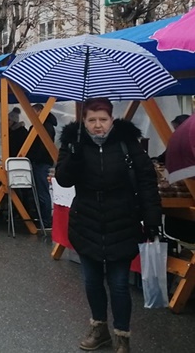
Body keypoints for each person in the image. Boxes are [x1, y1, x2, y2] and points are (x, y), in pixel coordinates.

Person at [55, 97, 161, 353]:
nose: (98, 125)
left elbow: (147, 180)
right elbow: (63, 180)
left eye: (103, 119)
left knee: (119, 283)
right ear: (84, 121)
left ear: (112, 120)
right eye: (92, 120)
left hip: (122, 220)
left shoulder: (127, 143)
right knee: (92, 281)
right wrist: (75, 157)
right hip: (86, 222)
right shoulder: (72, 142)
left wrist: (153, 219)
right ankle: (99, 328)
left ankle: (122, 335)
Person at [25, 103, 58, 229]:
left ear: (40, 111)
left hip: (41, 163)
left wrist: (34, 158)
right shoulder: (44, 126)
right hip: (39, 162)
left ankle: (46, 220)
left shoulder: (45, 127)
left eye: (33, 112)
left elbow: (42, 148)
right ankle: (42, 218)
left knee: (42, 192)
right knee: (39, 192)